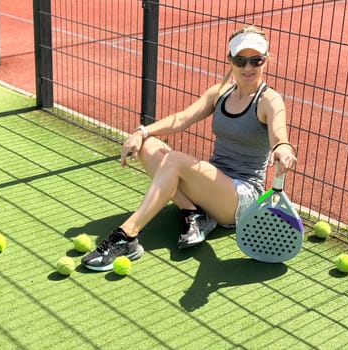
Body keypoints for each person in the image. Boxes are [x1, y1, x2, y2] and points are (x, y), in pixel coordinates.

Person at [81, 25, 298, 271]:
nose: (248, 68)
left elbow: (279, 133)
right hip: (214, 184)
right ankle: (193, 212)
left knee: (173, 160)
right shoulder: (220, 93)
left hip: (241, 196)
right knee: (149, 145)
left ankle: (127, 235)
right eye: (241, 60)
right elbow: (182, 118)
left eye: (256, 60)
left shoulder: (269, 100)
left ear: (265, 60)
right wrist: (141, 132)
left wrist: (282, 148)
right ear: (230, 60)